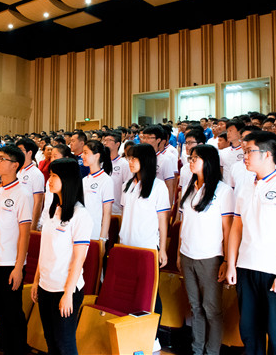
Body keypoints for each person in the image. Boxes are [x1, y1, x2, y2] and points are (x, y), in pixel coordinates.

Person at [226, 131, 276, 355]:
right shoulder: (245, 188)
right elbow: (236, 229)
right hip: (246, 267)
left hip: (274, 271)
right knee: (250, 330)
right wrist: (231, 264)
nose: (245, 156)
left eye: (249, 151)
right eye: (244, 152)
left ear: (268, 154)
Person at [177, 145, 234, 355]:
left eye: (195, 158)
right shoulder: (189, 187)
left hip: (210, 257)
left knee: (211, 309)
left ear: (208, 162)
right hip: (187, 254)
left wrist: (227, 260)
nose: (191, 162)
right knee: (195, 307)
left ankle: (211, 351)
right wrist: (178, 253)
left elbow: (228, 229)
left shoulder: (223, 191)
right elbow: (184, 223)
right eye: (190, 158)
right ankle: (197, 349)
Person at [31, 158, 92, 355]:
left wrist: (68, 294)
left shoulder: (80, 215)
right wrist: (36, 281)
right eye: (50, 175)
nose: (49, 180)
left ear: (67, 179)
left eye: (54, 176)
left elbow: (79, 258)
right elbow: (45, 249)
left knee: (65, 344)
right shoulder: (53, 210)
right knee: (51, 342)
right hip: (46, 286)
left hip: (65, 289)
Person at [119, 143, 170, 352]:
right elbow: (125, 215)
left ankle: (153, 336)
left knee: (150, 295)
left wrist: (162, 249)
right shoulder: (127, 185)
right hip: (127, 246)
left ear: (146, 160)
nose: (130, 162)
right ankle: (132, 334)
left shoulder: (158, 186)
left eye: (134, 158)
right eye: (129, 158)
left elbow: (163, 220)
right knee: (130, 293)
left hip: (147, 248)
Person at [0, 145, 33, 355]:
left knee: (13, 312)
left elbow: (25, 234)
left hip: (10, 264)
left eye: (2, 159)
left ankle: (19, 349)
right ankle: (7, 347)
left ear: (15, 165)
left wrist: (18, 267)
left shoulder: (23, 193)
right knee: (0, 311)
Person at [81, 140, 113, 241]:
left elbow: (107, 213)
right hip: (81, 232)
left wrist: (102, 239)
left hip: (95, 234)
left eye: (86, 153)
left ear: (97, 156)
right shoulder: (84, 180)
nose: (82, 156)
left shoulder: (106, 180)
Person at [16, 138, 45, 231]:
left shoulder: (36, 174)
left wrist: (33, 226)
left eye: (20, 150)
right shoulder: (17, 171)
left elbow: (38, 202)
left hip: (27, 221)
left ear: (30, 153)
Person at [102, 131, 132, 216]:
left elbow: (128, 188)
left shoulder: (124, 164)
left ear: (117, 144)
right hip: (101, 210)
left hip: (117, 211)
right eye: (104, 140)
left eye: (109, 140)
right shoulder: (100, 163)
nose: (105, 143)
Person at [219, 120, 245, 184]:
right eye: (227, 131)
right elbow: (221, 170)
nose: (228, 133)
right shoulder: (223, 152)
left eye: (230, 131)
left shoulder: (246, 151)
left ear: (240, 132)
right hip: (227, 186)